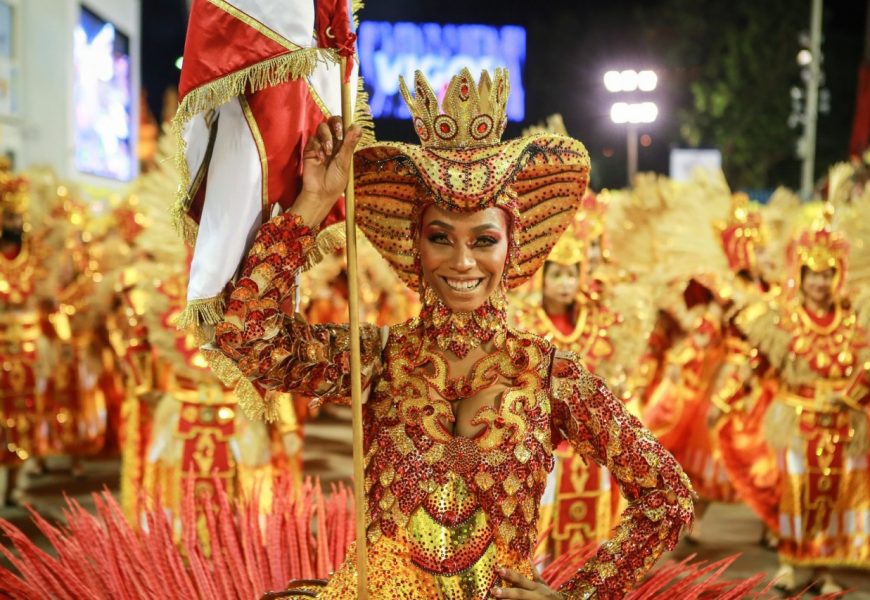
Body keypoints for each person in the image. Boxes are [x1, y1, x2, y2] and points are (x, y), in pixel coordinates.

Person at [213, 68, 693, 599]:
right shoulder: (376, 356)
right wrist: (312, 206)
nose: (462, 261)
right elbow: (247, 337)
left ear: (511, 246)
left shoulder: (550, 375)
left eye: (483, 239)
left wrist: (578, 597)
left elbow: (667, 498)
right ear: (416, 246)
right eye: (440, 237)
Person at [723, 215, 870, 594]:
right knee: (796, 491)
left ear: (837, 275)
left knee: (839, 497)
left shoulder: (854, 323)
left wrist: (853, 396)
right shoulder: (781, 321)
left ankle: (829, 567)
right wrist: (728, 400)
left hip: (844, 424)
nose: (820, 282)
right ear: (800, 274)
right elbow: (756, 363)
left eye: (827, 274)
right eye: (813, 274)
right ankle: (792, 562)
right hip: (797, 421)